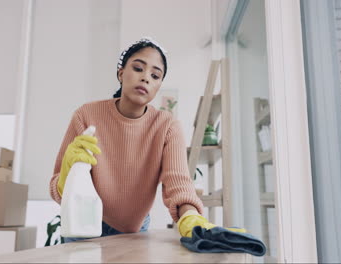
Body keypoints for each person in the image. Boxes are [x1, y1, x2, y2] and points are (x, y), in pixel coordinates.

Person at [50, 37, 223, 243]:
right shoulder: (86, 115)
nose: (146, 78)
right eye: (138, 68)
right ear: (121, 73)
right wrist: (68, 175)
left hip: (135, 232)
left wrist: (191, 217)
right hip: (82, 227)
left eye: (155, 75)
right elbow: (56, 187)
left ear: (159, 85)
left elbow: (178, 184)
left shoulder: (167, 126)